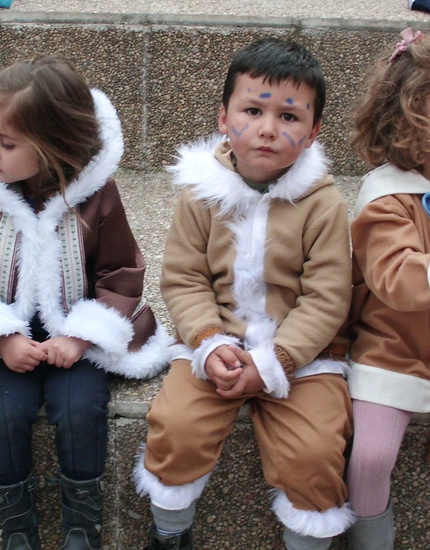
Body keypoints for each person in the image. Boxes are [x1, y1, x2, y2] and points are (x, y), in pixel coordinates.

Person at [0, 55, 171, 550]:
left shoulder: (97, 196)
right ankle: (18, 531)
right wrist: (1, 333)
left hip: (74, 336)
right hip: (5, 333)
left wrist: (82, 336)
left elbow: (119, 272)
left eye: (7, 142)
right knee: (6, 414)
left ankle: (82, 529)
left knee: (80, 409)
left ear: (54, 144)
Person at [134, 37, 355, 550]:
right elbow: (185, 278)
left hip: (302, 355)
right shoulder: (201, 194)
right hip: (216, 345)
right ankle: (170, 534)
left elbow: (326, 296)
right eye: (252, 110)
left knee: (316, 451)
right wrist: (209, 341)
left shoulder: (323, 206)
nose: (267, 128)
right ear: (223, 117)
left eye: (289, 117)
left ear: (314, 131)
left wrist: (276, 359)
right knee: (176, 427)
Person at [346, 27, 430, 550]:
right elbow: (396, 279)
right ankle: (372, 540)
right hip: (392, 350)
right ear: (407, 126)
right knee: (371, 458)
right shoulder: (387, 196)